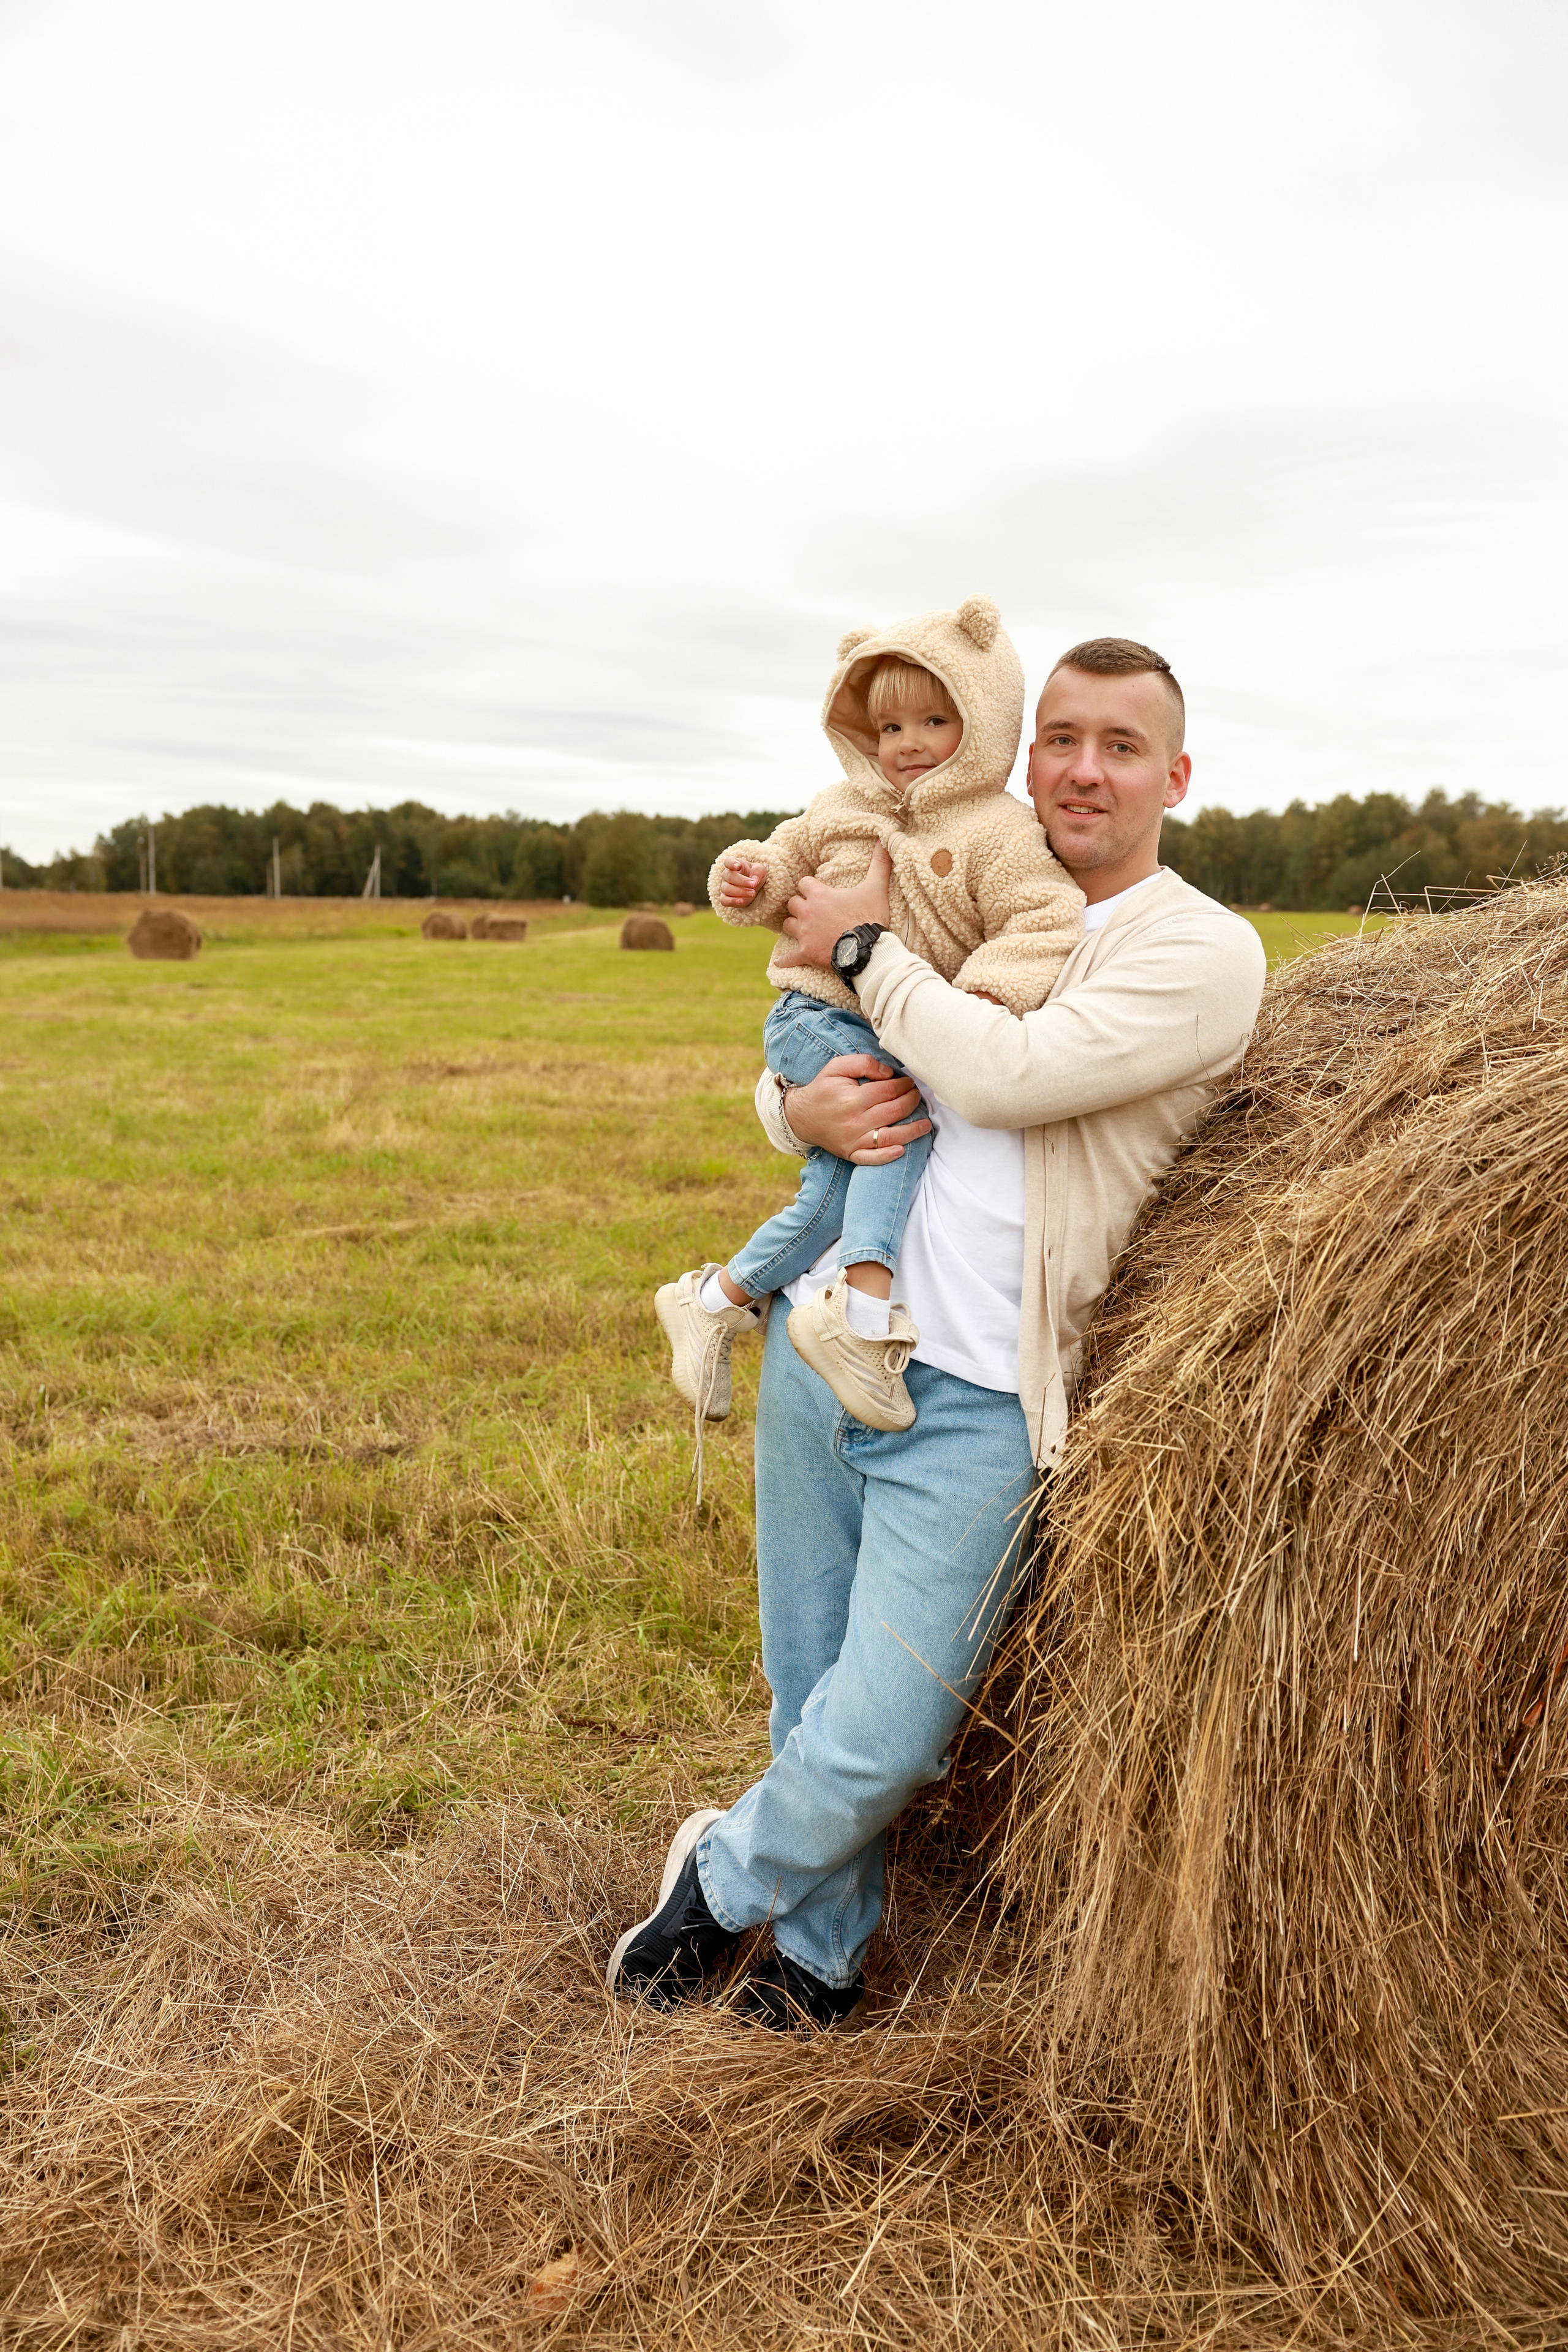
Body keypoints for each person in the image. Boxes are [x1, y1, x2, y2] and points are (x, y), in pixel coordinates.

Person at [607, 637, 1268, 2031]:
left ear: (1176, 775)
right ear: (1022, 755)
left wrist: (863, 947)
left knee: (892, 1730)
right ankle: (817, 1963)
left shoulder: (1196, 948)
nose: (1085, 769)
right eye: (1063, 739)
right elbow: (820, 1053)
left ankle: (720, 1878)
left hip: (973, 1394)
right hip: (819, 1350)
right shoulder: (962, 882)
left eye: (1123, 746)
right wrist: (791, 1113)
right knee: (810, 1682)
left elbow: (1000, 1073)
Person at [655, 597, 1080, 1438]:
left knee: (840, 1182)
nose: (908, 745)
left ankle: (715, 1300)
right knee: (899, 1124)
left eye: (934, 719)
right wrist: (749, 878)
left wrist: (982, 998)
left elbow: (1044, 920)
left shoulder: (1001, 833)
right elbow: (784, 864)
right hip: (814, 1015)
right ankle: (863, 1314)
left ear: (987, 720)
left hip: (894, 1025)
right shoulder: (839, 804)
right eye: (889, 729)